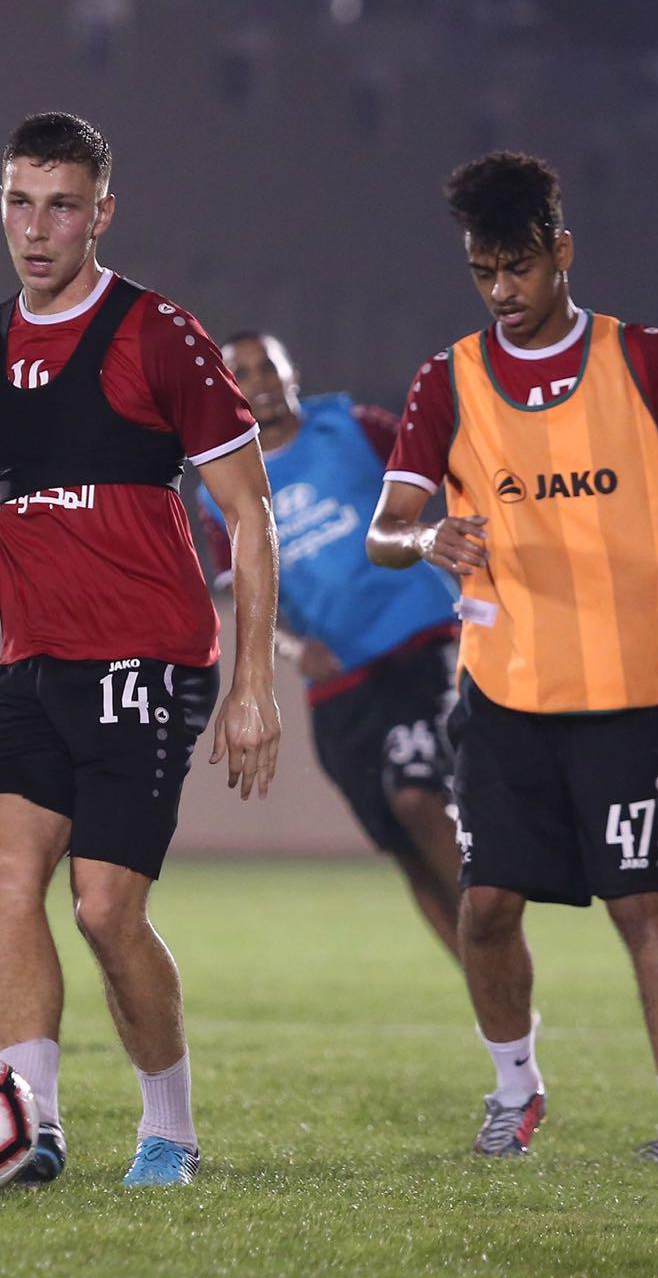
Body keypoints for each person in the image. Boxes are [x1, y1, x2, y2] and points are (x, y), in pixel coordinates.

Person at [0, 112, 280, 1189]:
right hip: (34, 665)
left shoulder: (160, 336)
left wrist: (252, 686)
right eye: (20, 202)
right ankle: (30, 1123)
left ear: (102, 213)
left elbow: (250, 514)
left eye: (62, 205)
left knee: (103, 909)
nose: (37, 227)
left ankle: (169, 1131)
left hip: (149, 660)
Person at [367, 151, 658, 1162]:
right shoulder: (447, 379)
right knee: (486, 905)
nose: (503, 291)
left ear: (562, 253)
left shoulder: (642, 358)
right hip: (504, 691)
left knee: (641, 902)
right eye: (484, 272)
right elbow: (386, 530)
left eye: (520, 268)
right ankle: (514, 1088)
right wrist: (428, 538)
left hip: (626, 692)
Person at [199, 333, 461, 954]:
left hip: (416, 645)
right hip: (340, 681)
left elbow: (450, 474)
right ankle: (489, 989)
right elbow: (243, 594)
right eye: (242, 373)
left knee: (419, 797)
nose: (259, 382)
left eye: (268, 367)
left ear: (292, 373)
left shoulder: (354, 425)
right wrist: (296, 652)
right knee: (405, 850)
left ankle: (498, 945)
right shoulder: (220, 489)